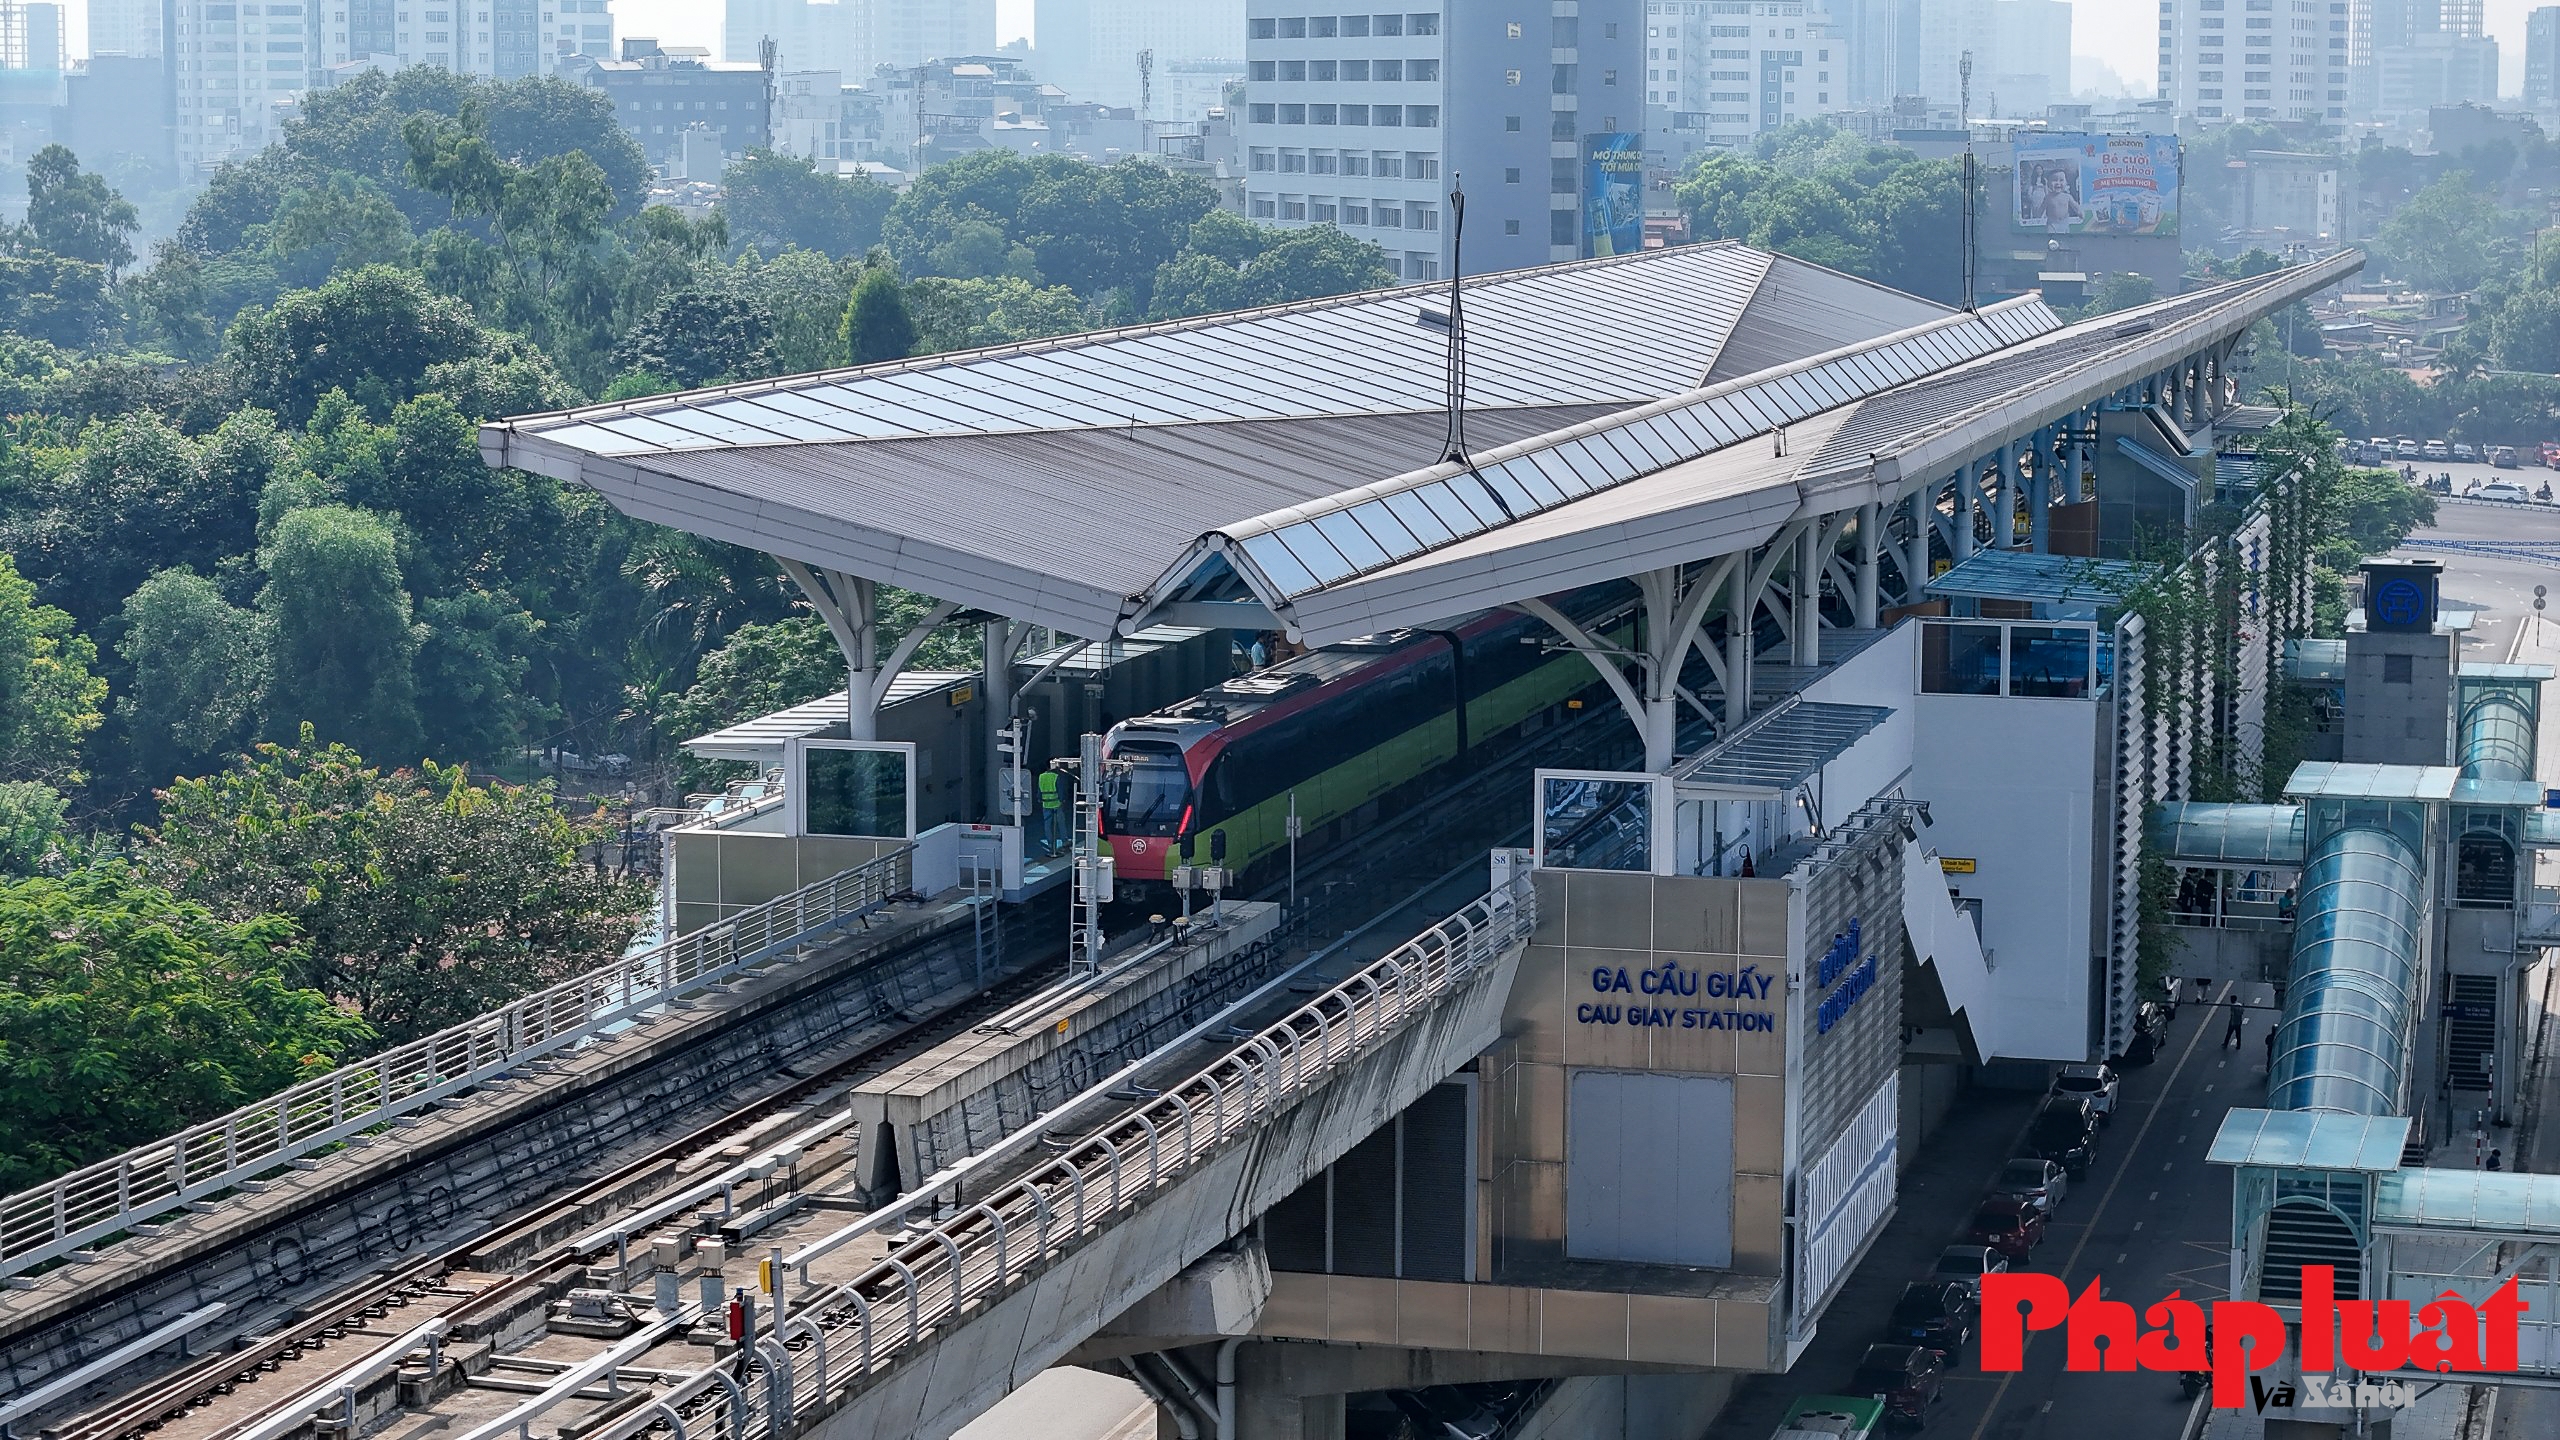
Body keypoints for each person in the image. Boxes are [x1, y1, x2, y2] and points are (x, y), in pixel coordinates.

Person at [1037, 760, 1071, 854]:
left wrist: (1040, 798)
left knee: (1047, 825)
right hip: (1056, 803)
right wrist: (1062, 800)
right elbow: (1060, 790)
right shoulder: (1056, 776)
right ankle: (1064, 841)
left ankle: (1050, 844)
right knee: (1060, 822)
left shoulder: (1041, 777)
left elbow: (1039, 791)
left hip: (1046, 804)